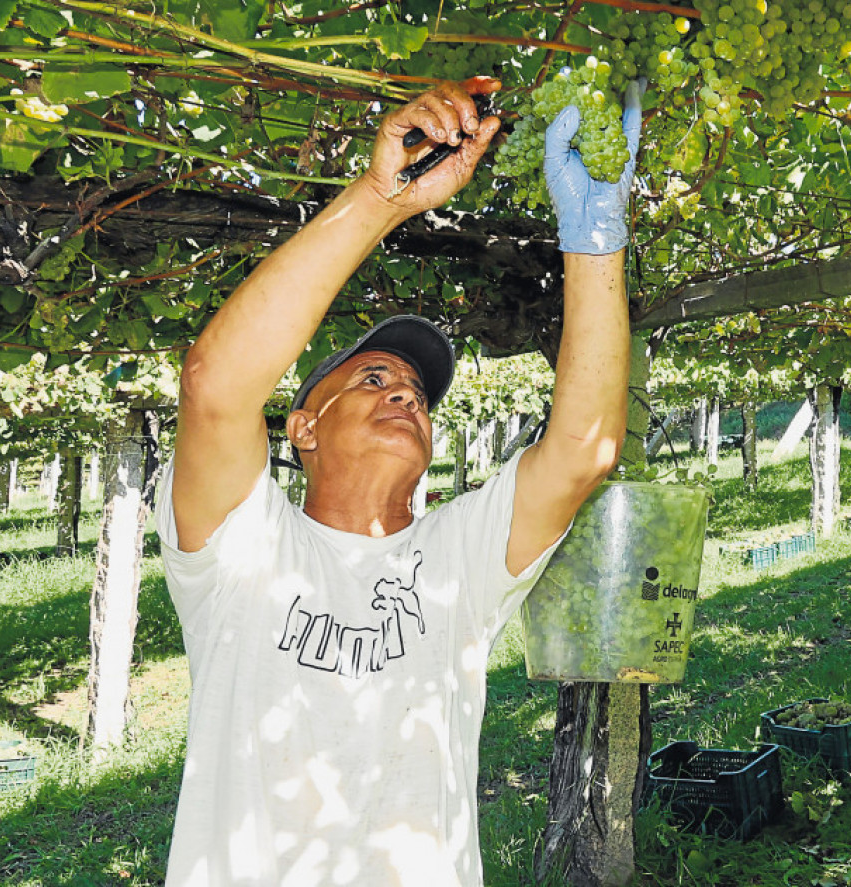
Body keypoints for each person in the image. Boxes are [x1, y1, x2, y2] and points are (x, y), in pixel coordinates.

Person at [155, 75, 643, 887]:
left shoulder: (457, 560)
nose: (404, 394)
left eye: (415, 393)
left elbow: (585, 449)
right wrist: (382, 197)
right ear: (302, 426)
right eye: (374, 378)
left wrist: (595, 243)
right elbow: (215, 383)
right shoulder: (242, 547)